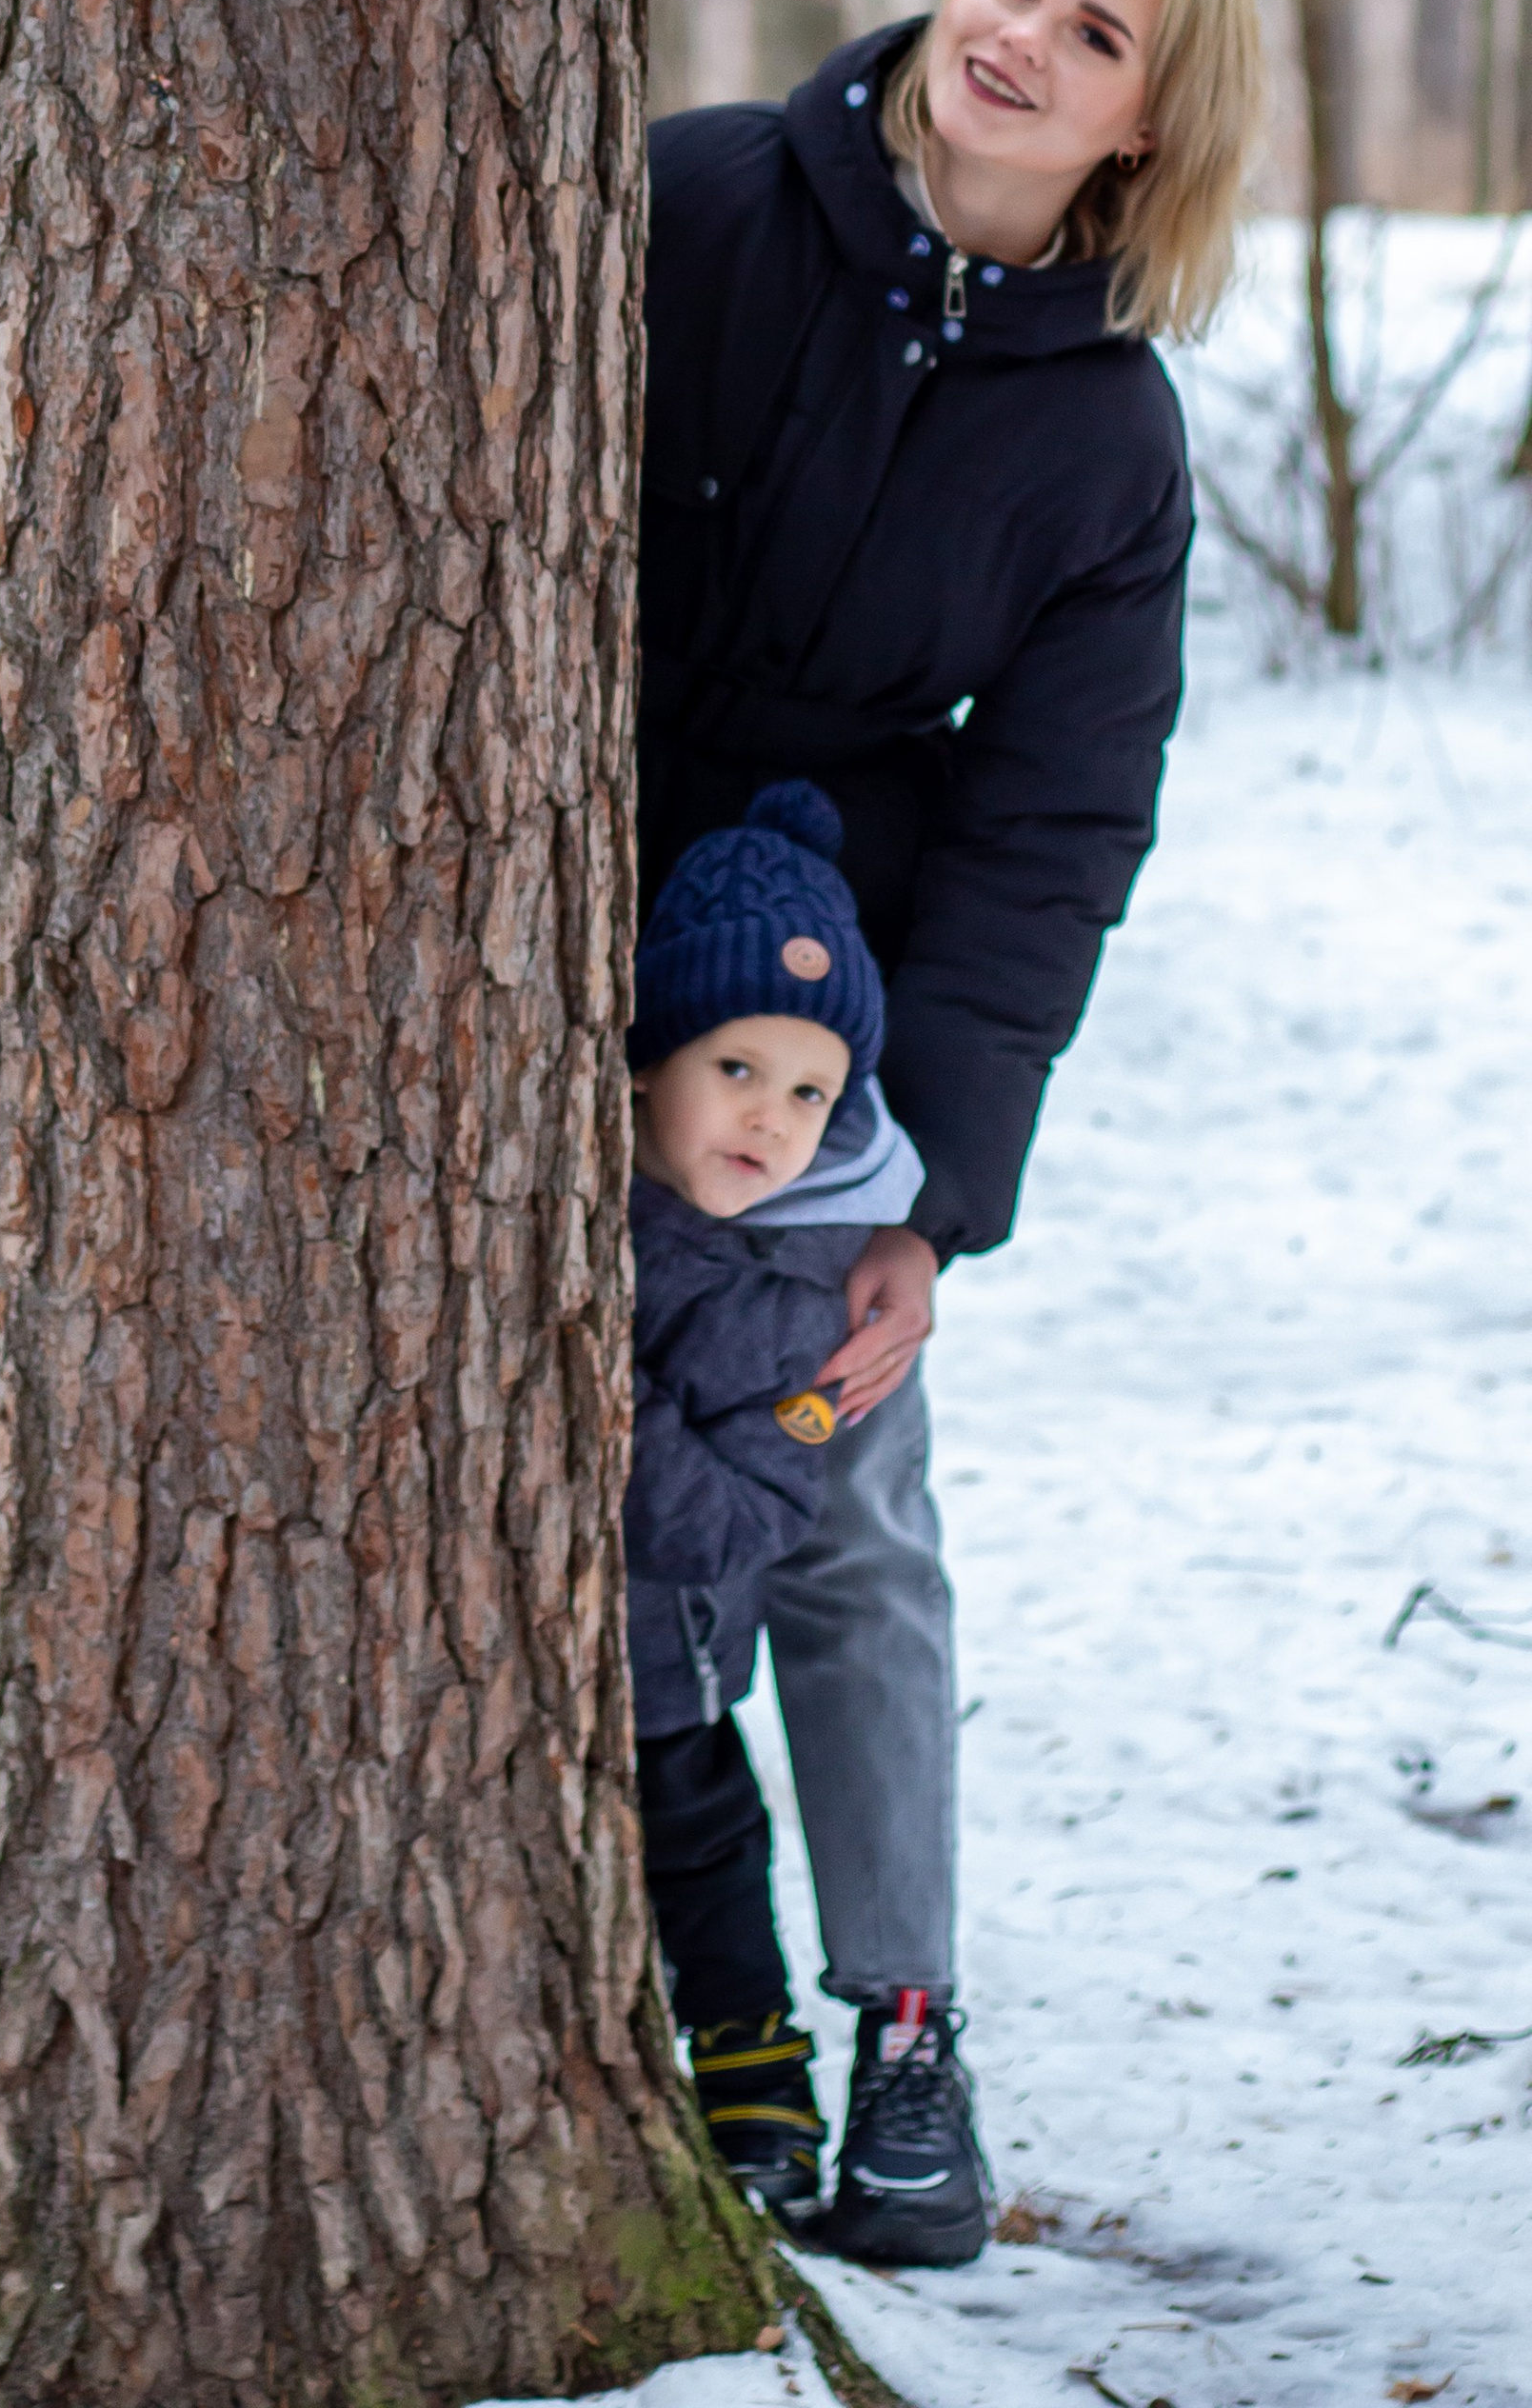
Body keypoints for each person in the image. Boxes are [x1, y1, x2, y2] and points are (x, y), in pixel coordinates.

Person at [639, 0, 1268, 2263]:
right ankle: (656, 1993)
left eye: (1092, 35)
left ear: (1136, 128)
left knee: (835, 1507)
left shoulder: (1104, 441)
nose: (1017, 36)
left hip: (816, 1028)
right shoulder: (697, 194)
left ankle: (896, 2021)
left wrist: (927, 1192)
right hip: (506, 918)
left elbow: (1052, 822)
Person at [623, 786, 942, 2228]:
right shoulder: (565, 1197)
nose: (771, 1118)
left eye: (810, 1094)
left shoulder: (779, 1291)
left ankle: (754, 2075)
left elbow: (746, 1512)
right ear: (646, 1063)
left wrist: (599, 1418)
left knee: (698, 1848)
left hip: (667, 1660)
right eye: (738, 1067)